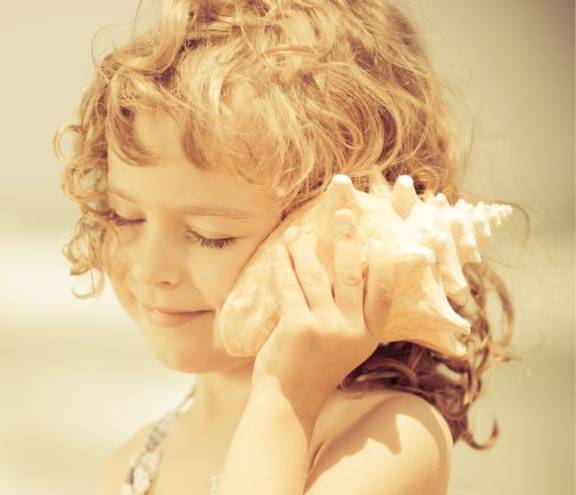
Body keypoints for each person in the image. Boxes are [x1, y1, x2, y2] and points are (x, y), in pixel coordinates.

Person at [52, 1, 527, 494]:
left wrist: (286, 397)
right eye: (125, 216)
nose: (151, 269)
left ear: (337, 233)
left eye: (211, 234)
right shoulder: (133, 459)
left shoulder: (390, 439)